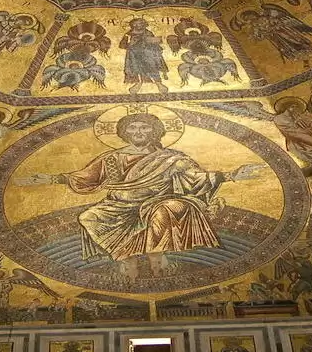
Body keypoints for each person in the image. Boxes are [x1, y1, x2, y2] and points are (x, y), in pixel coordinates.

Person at [22, 112, 260, 262]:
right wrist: (50, 179)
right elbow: (86, 178)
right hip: (118, 205)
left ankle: (158, 257)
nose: (138, 132)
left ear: (155, 131)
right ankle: (125, 255)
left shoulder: (172, 158)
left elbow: (195, 178)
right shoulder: (112, 158)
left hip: (158, 201)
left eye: (144, 128)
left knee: (167, 209)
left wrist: (232, 175)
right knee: (88, 216)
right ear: (124, 133)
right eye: (133, 128)